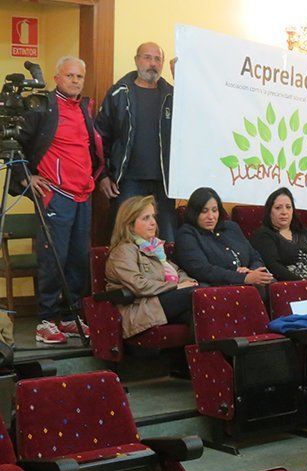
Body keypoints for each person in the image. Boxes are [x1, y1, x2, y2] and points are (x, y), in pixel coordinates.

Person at [18, 56, 101, 344]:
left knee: (78, 259)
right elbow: (16, 142)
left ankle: (68, 317)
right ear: (57, 78)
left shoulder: (85, 109)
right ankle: (45, 320)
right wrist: (26, 176)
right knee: (53, 258)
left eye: (80, 76)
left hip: (83, 195)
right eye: (70, 76)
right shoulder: (42, 106)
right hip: (56, 194)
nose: (76, 81)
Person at [96, 42, 177, 242]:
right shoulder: (118, 93)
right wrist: (102, 175)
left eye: (157, 59)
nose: (152, 63)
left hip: (164, 182)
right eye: (147, 57)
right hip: (127, 181)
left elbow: (196, 122)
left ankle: (167, 275)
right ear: (136, 60)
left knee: (166, 240)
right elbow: (99, 137)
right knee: (125, 238)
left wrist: (182, 80)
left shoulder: (173, 95)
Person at [105, 196, 197, 339]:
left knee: (199, 310)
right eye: (146, 218)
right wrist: (175, 287)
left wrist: (190, 282)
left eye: (153, 216)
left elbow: (177, 272)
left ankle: (206, 357)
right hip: (141, 309)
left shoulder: (155, 248)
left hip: (161, 303)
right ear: (129, 224)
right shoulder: (124, 250)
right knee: (195, 295)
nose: (153, 222)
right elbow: (138, 285)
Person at [174, 187, 273, 286]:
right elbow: (202, 270)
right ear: (194, 213)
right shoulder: (187, 234)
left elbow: (255, 256)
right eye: (204, 211)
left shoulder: (231, 227)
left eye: (214, 210)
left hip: (250, 282)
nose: (211, 216)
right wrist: (243, 278)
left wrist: (251, 271)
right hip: (219, 288)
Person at [250, 188, 307, 285]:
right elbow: (274, 267)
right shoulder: (263, 235)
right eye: (278, 208)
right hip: (290, 287)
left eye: (288, 207)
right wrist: (305, 284)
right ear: (269, 212)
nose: (284, 212)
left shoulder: (304, 232)